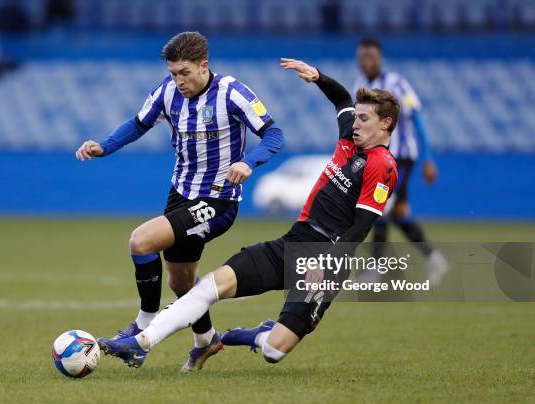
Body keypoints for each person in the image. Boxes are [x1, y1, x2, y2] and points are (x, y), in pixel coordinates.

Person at [96, 59, 398, 368]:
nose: (355, 123)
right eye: (357, 118)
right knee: (209, 287)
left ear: (385, 123)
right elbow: (343, 99)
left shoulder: (382, 165)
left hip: (325, 259)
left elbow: (361, 226)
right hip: (294, 240)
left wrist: (327, 263)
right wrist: (319, 77)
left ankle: (255, 335)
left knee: (274, 351)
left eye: (364, 119)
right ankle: (141, 342)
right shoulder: (350, 136)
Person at [74, 31, 284, 371]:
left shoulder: (232, 92)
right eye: (173, 73)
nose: (178, 80)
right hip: (180, 195)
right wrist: (105, 145)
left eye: (184, 72)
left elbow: (274, 134)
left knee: (141, 241)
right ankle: (207, 340)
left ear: (204, 65)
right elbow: (138, 124)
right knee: (181, 281)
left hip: (218, 200)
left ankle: (142, 325)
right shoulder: (167, 92)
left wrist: (249, 161)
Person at [353, 38, 449, 285]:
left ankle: (375, 269)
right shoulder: (360, 87)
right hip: (377, 160)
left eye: (370, 56)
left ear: (379, 57)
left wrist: (428, 157)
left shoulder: (396, 83)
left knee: (380, 206)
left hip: (401, 158)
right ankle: (435, 259)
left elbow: (417, 117)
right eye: (362, 57)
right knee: (397, 213)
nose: (366, 61)